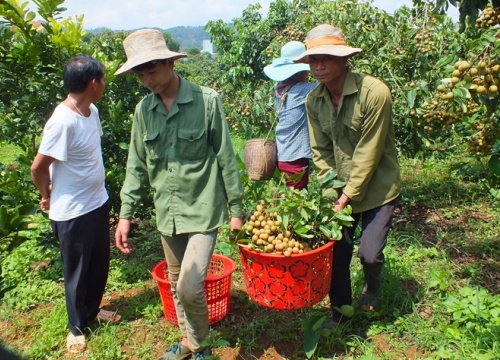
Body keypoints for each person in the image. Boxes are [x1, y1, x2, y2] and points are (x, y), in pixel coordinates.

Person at [113, 29, 244, 360]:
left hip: (203, 208)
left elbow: (226, 157)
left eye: (152, 70)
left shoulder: (206, 101)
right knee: (175, 284)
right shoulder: (144, 112)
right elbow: (136, 166)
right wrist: (125, 214)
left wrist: (236, 209)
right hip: (167, 213)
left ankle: (200, 347)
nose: (147, 79)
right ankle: (188, 341)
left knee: (189, 285)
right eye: (140, 74)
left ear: (171, 62)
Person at [293, 24, 402, 327]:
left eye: (327, 58)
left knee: (369, 254)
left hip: (379, 187)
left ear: (344, 59)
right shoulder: (313, 101)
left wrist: (346, 196)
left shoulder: (375, 92)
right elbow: (321, 151)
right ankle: (339, 312)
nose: (319, 66)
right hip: (339, 190)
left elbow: (370, 151)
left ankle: (372, 289)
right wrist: (331, 194)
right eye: (314, 60)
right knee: (335, 253)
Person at [30, 55, 121, 354]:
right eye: (103, 79)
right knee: (77, 273)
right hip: (72, 212)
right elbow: (38, 167)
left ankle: (93, 311)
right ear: (94, 83)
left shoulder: (91, 111)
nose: (105, 84)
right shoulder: (62, 121)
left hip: (97, 203)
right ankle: (75, 327)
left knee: (98, 266)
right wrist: (46, 193)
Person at [263, 41, 318, 190]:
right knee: (297, 202)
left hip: (284, 153)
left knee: (290, 197)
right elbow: (328, 85)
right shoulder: (299, 90)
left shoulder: (280, 88)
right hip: (295, 157)